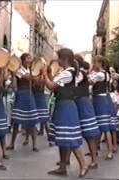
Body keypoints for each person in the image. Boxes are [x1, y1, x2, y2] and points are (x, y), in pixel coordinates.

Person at [44, 48, 88, 177]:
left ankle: (83, 165)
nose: (57, 60)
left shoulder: (68, 73)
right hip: (63, 106)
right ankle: (62, 167)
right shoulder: (65, 72)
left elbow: (51, 86)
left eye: (59, 58)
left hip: (66, 107)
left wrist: (44, 75)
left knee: (70, 138)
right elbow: (55, 84)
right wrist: (49, 74)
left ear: (64, 59)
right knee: (62, 138)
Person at [6, 53, 39, 152]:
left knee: (32, 121)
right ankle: (12, 143)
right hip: (21, 94)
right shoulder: (19, 70)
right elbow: (27, 78)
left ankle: (34, 144)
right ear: (24, 60)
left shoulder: (31, 70)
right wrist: (36, 73)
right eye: (28, 58)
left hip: (29, 95)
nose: (30, 59)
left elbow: (35, 81)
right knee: (16, 121)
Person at [73, 54, 101, 169]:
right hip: (77, 103)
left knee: (89, 134)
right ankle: (65, 161)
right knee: (72, 133)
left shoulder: (80, 74)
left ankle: (94, 160)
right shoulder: (75, 74)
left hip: (83, 104)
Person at [88, 55, 114, 160]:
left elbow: (89, 80)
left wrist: (90, 70)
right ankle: (96, 149)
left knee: (105, 127)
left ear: (100, 63)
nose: (94, 64)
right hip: (101, 100)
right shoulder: (105, 74)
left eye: (95, 62)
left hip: (100, 100)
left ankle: (110, 151)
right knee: (100, 125)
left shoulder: (100, 74)